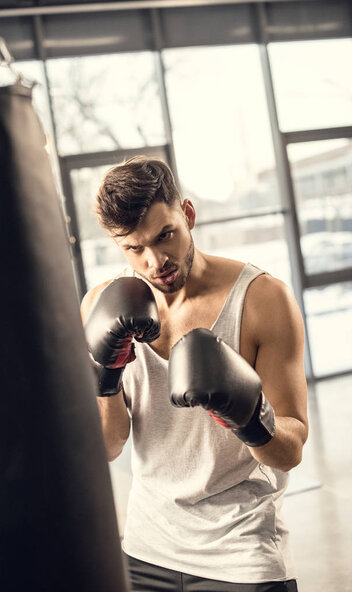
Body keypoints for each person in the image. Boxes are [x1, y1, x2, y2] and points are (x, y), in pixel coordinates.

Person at [80, 156, 308, 592]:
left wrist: (248, 417)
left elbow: (291, 451)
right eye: (134, 248)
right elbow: (109, 446)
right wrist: (106, 378)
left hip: (242, 553)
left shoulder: (263, 300)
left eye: (165, 235)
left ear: (187, 214)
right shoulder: (99, 307)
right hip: (147, 548)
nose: (155, 260)